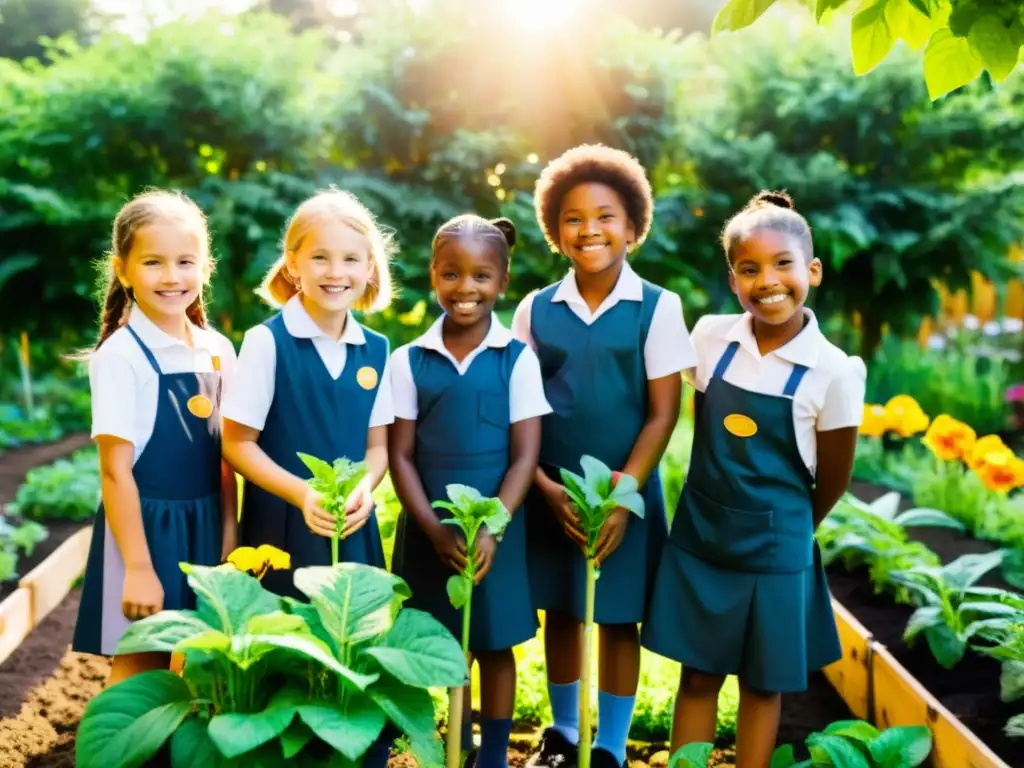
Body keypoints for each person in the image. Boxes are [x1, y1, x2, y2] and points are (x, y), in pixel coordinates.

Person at [641, 191, 866, 767]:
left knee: (763, 685)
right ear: (734, 279)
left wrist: (784, 530)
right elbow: (689, 418)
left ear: (811, 270)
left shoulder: (834, 371)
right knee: (698, 675)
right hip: (704, 538)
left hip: (775, 548)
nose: (768, 281)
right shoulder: (711, 337)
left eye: (784, 264)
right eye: (750, 269)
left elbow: (833, 478)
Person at [513, 145, 695, 768]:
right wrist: (540, 484)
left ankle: (611, 747)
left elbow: (663, 413)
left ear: (633, 225)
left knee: (619, 619)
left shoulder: (658, 307)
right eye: (573, 217)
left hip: (627, 491)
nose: (589, 229)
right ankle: (564, 733)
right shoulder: (535, 309)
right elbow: (521, 411)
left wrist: (624, 496)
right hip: (553, 489)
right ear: (554, 229)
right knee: (563, 610)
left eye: (606, 215)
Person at [389, 215, 550, 768]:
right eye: (451, 275)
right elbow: (399, 456)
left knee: (494, 642)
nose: (466, 289)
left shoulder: (517, 359)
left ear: (502, 283)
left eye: (482, 276)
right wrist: (434, 530)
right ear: (434, 276)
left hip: (496, 530)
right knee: (438, 642)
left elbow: (525, 454)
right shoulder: (408, 361)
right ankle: (454, 746)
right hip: (429, 529)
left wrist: (493, 528)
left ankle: (494, 757)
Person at [73, 190, 238, 686]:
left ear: (205, 267)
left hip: (207, 521)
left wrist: (230, 532)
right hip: (146, 529)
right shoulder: (122, 356)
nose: (172, 277)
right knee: (142, 658)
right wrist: (140, 568)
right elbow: (114, 471)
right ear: (123, 270)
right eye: (153, 262)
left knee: (195, 659)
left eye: (185, 261)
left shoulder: (218, 349)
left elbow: (226, 458)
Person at [221, 188, 395, 599]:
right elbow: (236, 443)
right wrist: (302, 494)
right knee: (283, 650)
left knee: (351, 649)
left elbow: (378, 449)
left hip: (351, 524)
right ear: (293, 264)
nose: (336, 272)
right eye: (320, 257)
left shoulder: (377, 349)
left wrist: (363, 489)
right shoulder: (266, 342)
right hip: (280, 531)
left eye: (351, 259)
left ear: (369, 266)